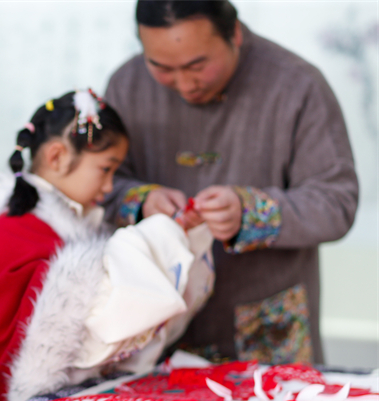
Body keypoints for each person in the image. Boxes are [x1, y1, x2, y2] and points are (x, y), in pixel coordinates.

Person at [102, 0, 359, 365]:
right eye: (161, 67)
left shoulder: (296, 85)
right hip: (158, 326)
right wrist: (142, 201)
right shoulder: (127, 85)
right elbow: (100, 188)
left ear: (235, 33)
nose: (184, 84)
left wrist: (249, 212)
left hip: (267, 330)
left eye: (197, 65)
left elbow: (337, 203)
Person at [0, 90, 215, 401]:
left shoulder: (61, 230)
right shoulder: (10, 235)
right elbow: (2, 366)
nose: (109, 188)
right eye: (105, 169)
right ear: (57, 156)